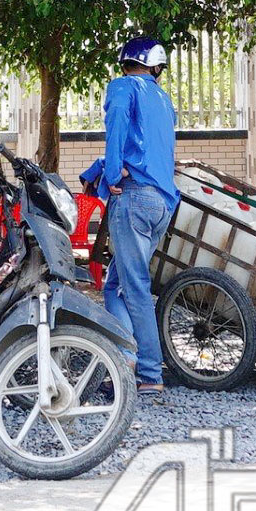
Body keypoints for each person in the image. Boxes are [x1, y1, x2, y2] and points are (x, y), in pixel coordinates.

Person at [99, 38, 178, 402]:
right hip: (162, 203)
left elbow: (115, 128)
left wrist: (112, 174)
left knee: (133, 287)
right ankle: (124, 359)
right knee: (115, 284)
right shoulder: (164, 101)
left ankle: (148, 371)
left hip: (134, 198)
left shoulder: (122, 87)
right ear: (157, 68)